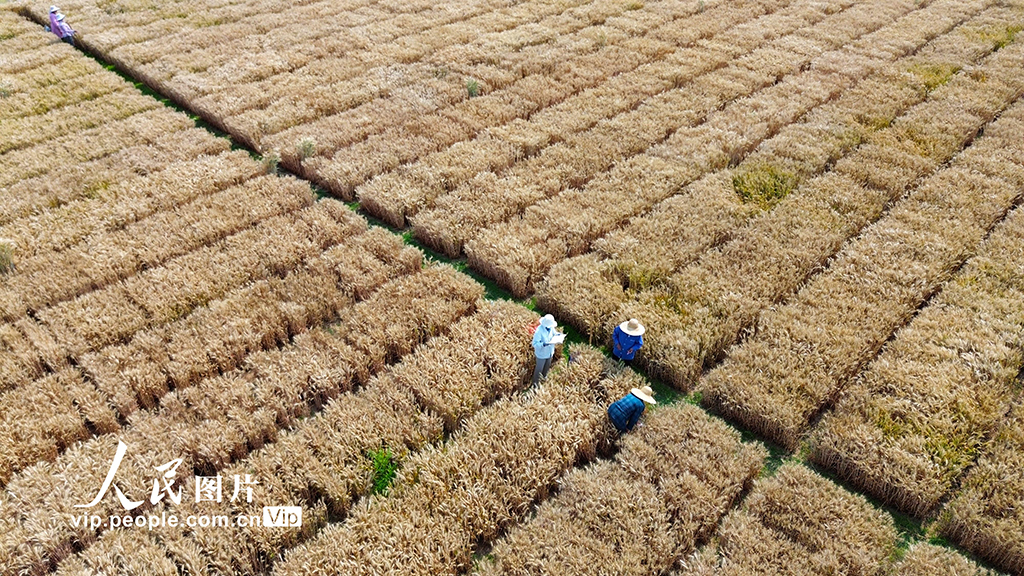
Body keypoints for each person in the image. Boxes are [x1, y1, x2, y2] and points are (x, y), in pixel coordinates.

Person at [531, 314, 560, 386]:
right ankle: (535, 383)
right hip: (541, 354)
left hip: (550, 352)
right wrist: (543, 344)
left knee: (547, 366)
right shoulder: (539, 331)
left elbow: (554, 333)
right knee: (539, 369)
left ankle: (544, 378)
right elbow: (534, 344)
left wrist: (558, 335)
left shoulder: (551, 327)